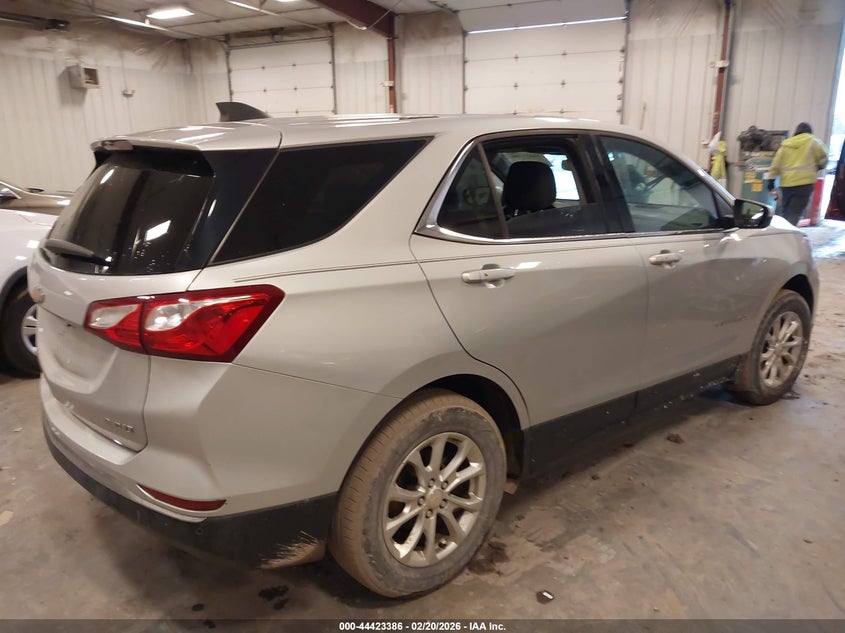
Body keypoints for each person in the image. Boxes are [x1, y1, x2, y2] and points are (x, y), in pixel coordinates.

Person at [766, 122, 828, 225]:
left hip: (786, 185)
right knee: (794, 213)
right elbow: (824, 159)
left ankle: (783, 233)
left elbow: (775, 165)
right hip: (804, 184)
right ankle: (788, 236)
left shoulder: (785, 145)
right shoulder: (814, 142)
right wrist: (819, 167)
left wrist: (770, 181)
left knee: (784, 212)